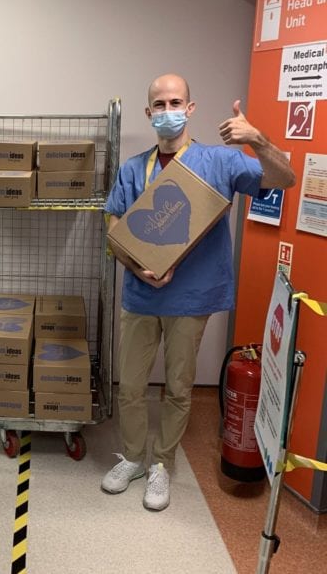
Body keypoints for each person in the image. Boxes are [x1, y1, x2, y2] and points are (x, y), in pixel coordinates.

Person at [101, 74, 295, 511]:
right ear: (148, 113)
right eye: (159, 104)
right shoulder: (134, 168)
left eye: (176, 102)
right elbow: (113, 230)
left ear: (190, 108)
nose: (168, 110)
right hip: (141, 294)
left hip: (192, 299)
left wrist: (258, 139)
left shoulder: (222, 162)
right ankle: (132, 457)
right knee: (130, 386)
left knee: (178, 386)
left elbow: (287, 179)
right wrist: (137, 266)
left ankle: (161, 465)